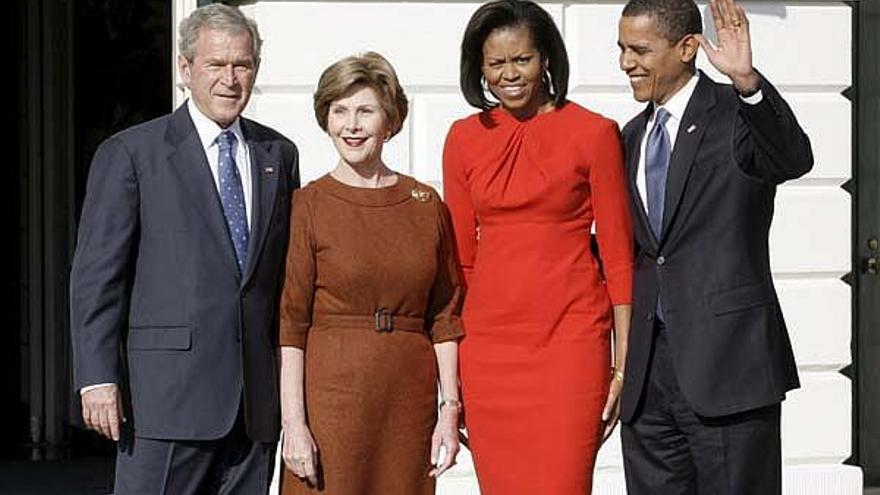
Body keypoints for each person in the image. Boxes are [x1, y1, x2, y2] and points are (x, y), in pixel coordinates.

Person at [69, 4, 299, 493]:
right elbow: (97, 277)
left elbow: (280, 279)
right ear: (185, 68)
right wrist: (97, 378)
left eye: (243, 65)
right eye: (217, 65)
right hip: (165, 401)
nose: (231, 79)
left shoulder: (278, 154)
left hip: (254, 409)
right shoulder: (132, 153)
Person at [615, 0, 814, 493]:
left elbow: (793, 158)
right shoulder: (629, 136)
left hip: (730, 369)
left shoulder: (735, 113)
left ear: (687, 48)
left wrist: (748, 84)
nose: (625, 63)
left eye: (639, 50)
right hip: (648, 380)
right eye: (621, 49)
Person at [442, 1, 634, 493]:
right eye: (496, 63)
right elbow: (459, 260)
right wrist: (451, 377)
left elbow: (617, 256)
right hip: (488, 351)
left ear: (546, 57)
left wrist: (622, 363)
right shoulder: (463, 139)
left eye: (521, 59)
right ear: (479, 68)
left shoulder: (594, 134)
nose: (509, 74)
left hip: (570, 344)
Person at [278, 52, 464, 495]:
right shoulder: (308, 204)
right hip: (331, 400)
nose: (351, 125)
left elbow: (445, 315)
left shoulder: (425, 205)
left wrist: (450, 409)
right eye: (339, 111)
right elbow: (290, 323)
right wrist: (294, 424)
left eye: (365, 111)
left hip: (407, 399)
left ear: (390, 120)